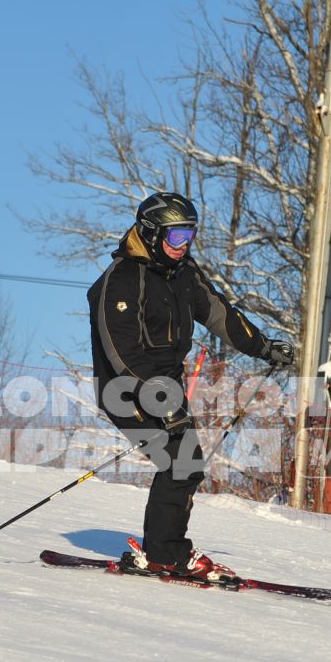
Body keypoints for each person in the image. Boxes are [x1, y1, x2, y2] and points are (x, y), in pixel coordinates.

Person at [87, 191, 294, 581]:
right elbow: (122, 352)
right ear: (149, 233)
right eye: (175, 237)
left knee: (187, 464)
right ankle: (166, 554)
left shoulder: (183, 274)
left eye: (190, 236)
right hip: (126, 390)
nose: (183, 246)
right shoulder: (120, 282)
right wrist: (159, 398)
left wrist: (265, 347)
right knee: (181, 462)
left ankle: (163, 551)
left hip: (166, 388)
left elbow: (220, 316)